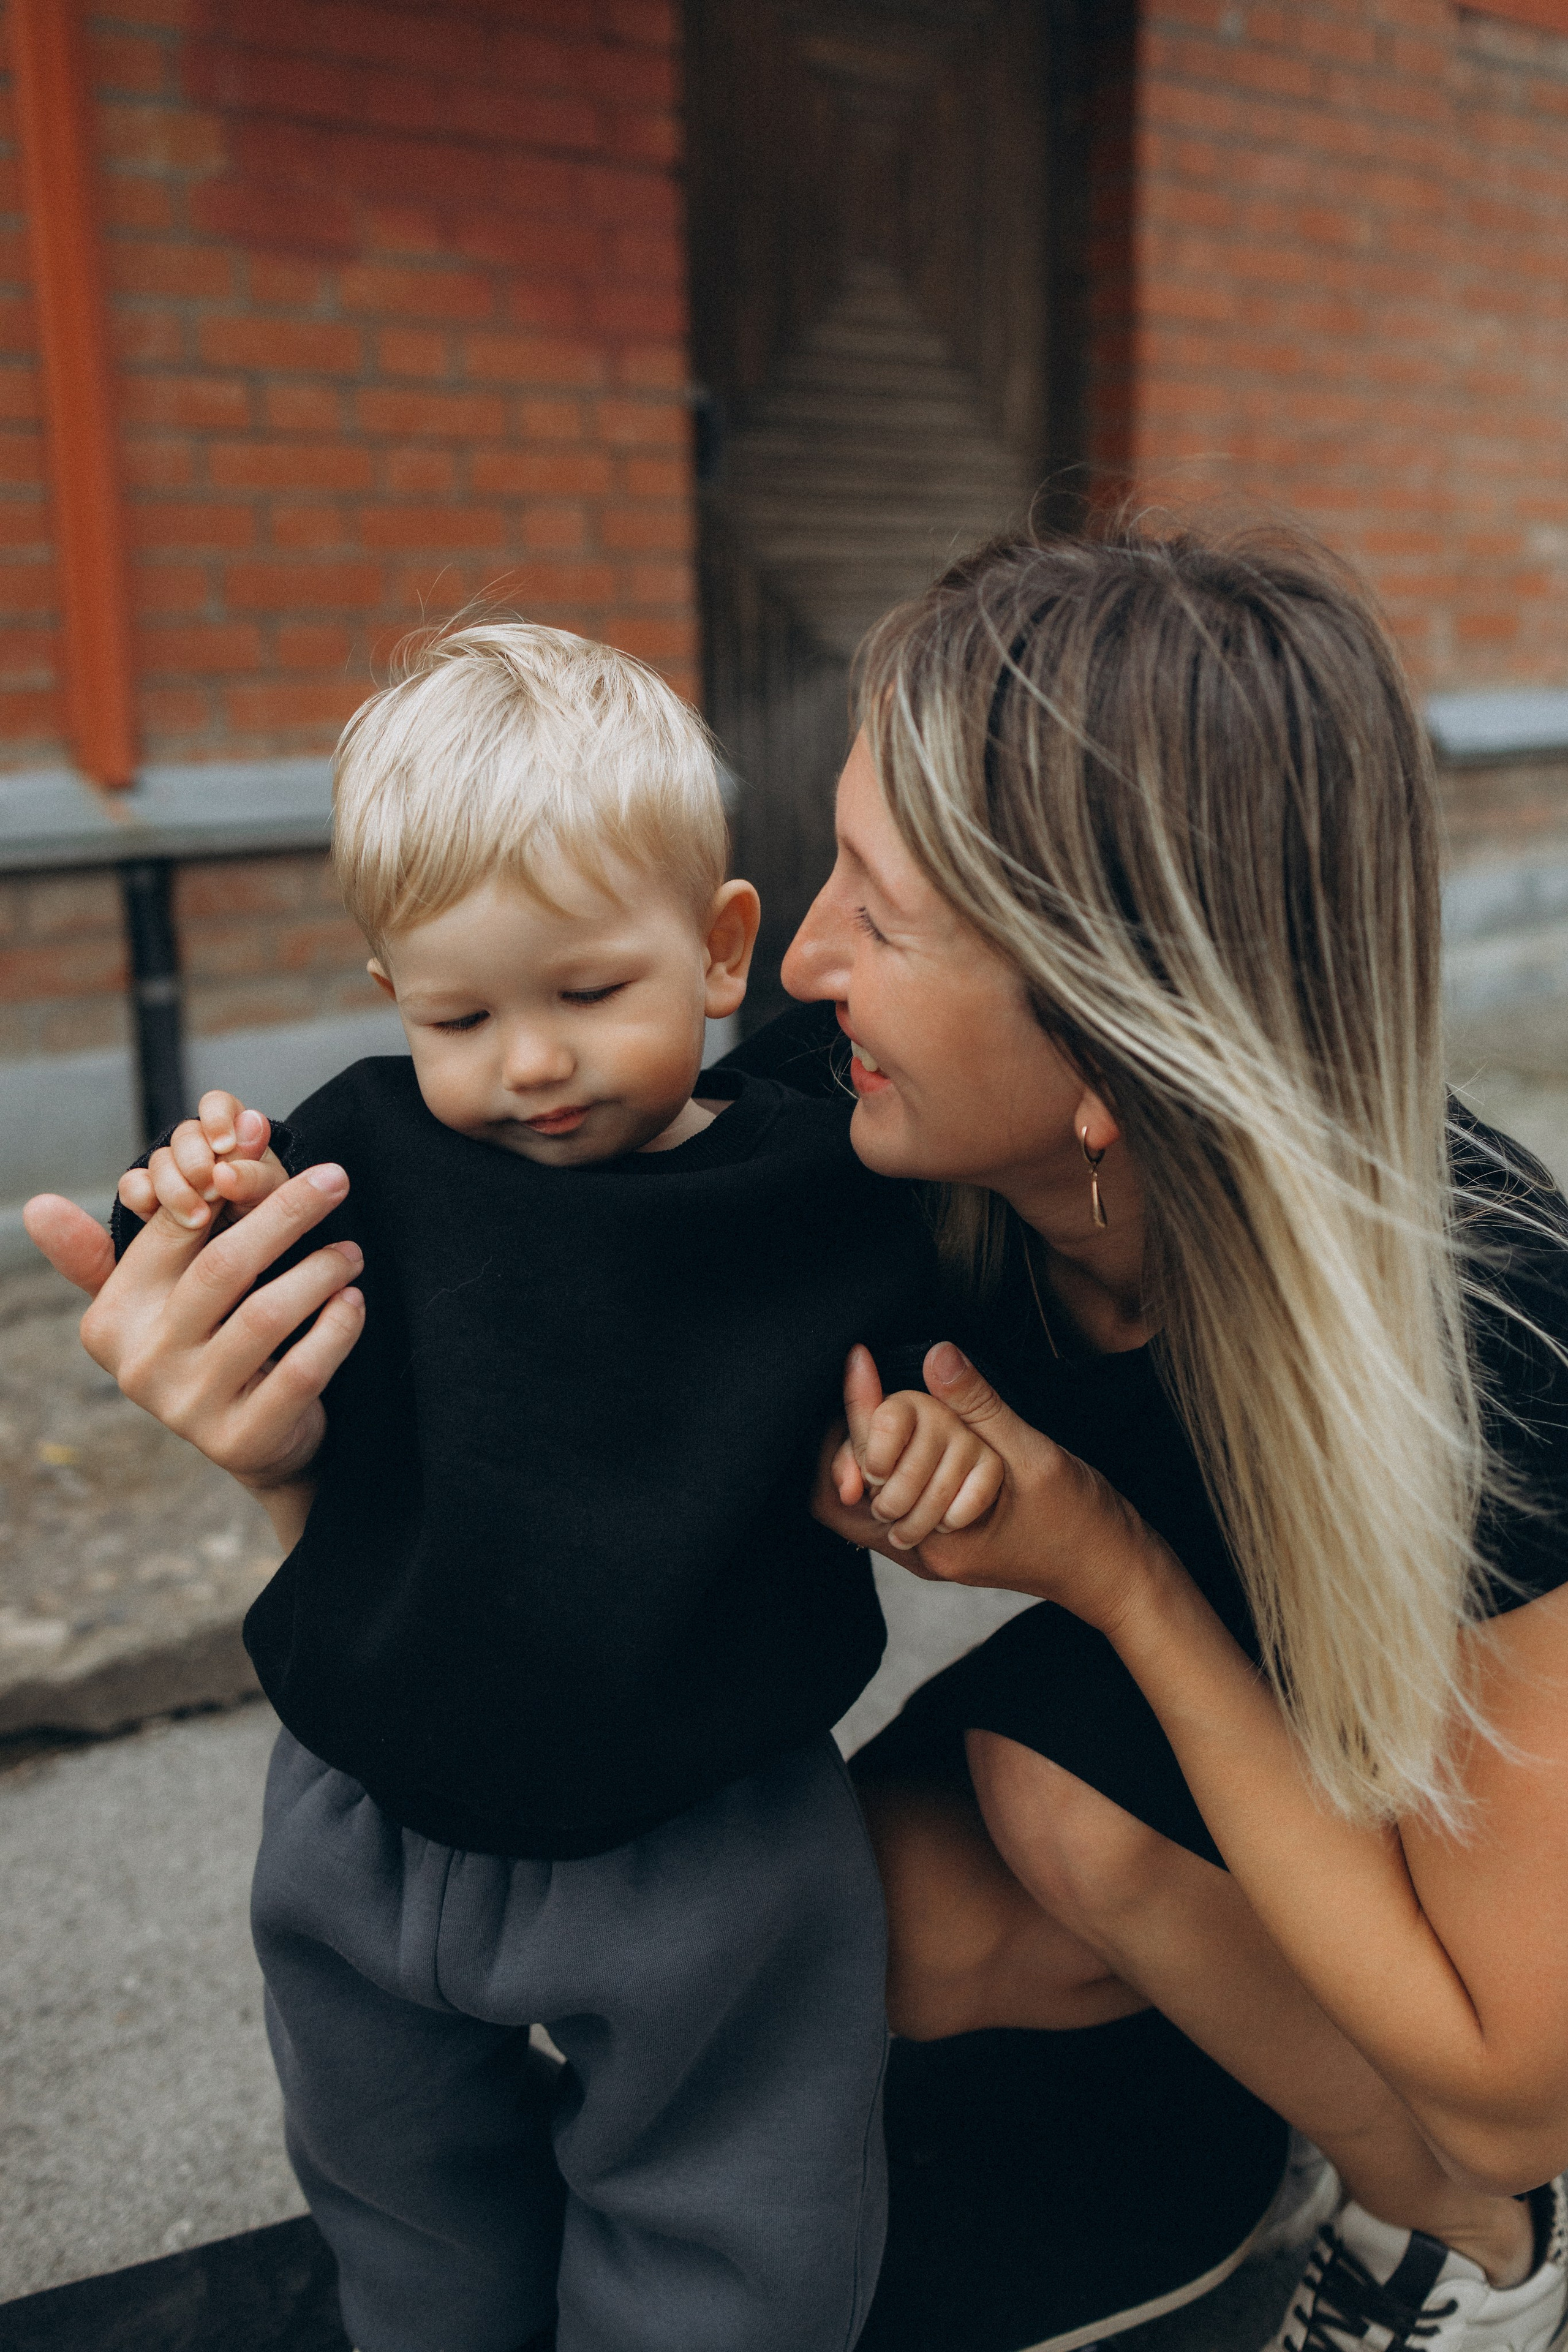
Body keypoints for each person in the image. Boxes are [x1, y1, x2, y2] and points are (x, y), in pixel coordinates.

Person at [29, 524, 1568, 2352]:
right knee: (850, 1922)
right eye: (830, 863)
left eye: (882, 916)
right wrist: (275, 1438)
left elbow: (1512, 2081)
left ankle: (1485, 2251)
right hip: (1216, 1749)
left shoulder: (1484, 1334)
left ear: (1111, 1033)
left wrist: (1111, 1568)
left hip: (1436, 1852)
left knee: (1108, 1856)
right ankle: (1244, 2074)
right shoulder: (828, 1134)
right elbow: (517, 1486)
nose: (802, 959)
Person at [76, 619, 1006, 2352]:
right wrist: (192, 1198)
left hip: (711, 1831)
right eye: (461, 1013)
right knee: (394, 2192)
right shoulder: (374, 1145)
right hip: (364, 1806)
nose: (528, 1064)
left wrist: (926, 1446)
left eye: (588, 994)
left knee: (740, 2220)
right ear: (393, 997)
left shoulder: (824, 1193)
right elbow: (183, 1262)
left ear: (720, 949)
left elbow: (929, 1387)